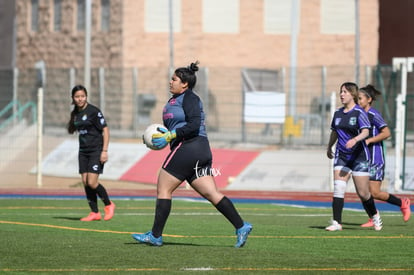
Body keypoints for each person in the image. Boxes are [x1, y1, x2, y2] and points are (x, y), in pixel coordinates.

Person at [131, 61, 252, 247]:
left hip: (189, 147)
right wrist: (156, 136)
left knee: (164, 188)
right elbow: (176, 125)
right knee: (212, 193)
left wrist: (171, 135)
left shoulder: (190, 98)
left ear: (185, 84)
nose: (170, 82)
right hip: (199, 150)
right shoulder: (175, 99)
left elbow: (194, 124)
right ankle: (241, 226)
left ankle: (155, 235)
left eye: (174, 79)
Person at [325, 82, 382, 231]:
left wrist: (355, 140)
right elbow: (335, 132)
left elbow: (366, 132)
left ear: (352, 95)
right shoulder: (337, 113)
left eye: (345, 92)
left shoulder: (359, 112)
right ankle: (337, 223)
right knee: (338, 187)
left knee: (363, 193)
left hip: (359, 157)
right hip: (342, 155)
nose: (341, 94)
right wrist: (329, 146)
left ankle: (375, 215)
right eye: (340, 92)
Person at [358, 84, 411, 227]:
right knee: (363, 191)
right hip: (362, 158)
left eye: (360, 98)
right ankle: (373, 217)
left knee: (374, 192)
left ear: (369, 99)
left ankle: (402, 203)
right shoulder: (357, 114)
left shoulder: (373, 114)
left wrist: (370, 140)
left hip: (375, 158)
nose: (358, 101)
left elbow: (387, 133)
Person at [67, 85, 115, 221]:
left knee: (92, 182)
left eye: (82, 96)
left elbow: (105, 130)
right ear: (73, 98)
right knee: (85, 181)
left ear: (86, 96)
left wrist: (104, 151)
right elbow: (74, 128)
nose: (80, 99)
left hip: (96, 150)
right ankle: (95, 212)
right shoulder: (75, 113)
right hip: (83, 151)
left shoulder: (94, 111)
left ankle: (109, 204)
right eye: (77, 97)